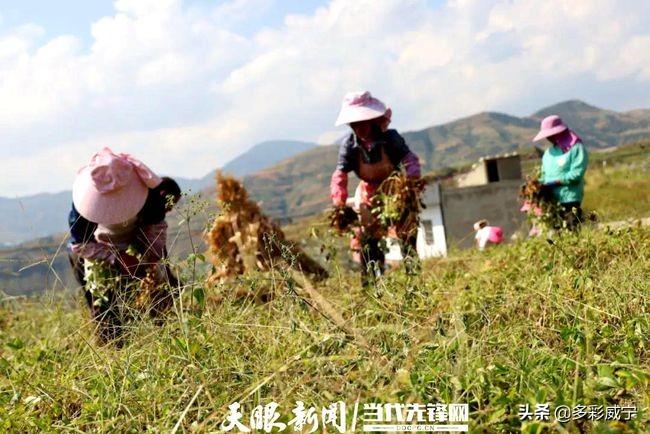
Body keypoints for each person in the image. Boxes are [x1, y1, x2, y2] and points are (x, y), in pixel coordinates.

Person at [68, 147, 181, 344]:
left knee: (164, 288)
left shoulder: (150, 196)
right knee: (106, 307)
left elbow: (154, 232)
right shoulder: (80, 212)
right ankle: (112, 348)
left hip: (134, 241)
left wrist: (151, 263)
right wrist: (117, 258)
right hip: (98, 252)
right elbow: (82, 245)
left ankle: (168, 337)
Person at [330, 91, 422, 285]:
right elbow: (340, 174)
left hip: (396, 190)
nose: (359, 128)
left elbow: (410, 160)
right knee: (369, 242)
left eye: (363, 123)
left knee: (407, 235)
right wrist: (339, 201)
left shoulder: (390, 139)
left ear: (373, 120)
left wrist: (411, 184)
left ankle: (414, 281)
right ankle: (371, 286)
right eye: (355, 124)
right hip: (368, 195)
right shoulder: (349, 145)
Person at [533, 115, 589, 230]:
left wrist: (558, 182)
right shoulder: (548, 154)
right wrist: (536, 186)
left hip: (570, 198)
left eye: (551, 135)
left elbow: (577, 174)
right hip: (552, 200)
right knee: (556, 233)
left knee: (571, 230)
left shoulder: (576, 148)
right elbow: (544, 176)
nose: (549, 138)